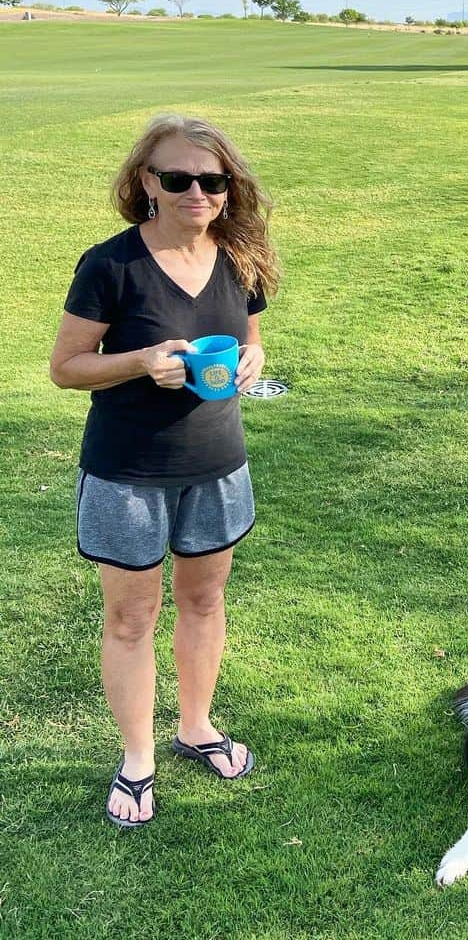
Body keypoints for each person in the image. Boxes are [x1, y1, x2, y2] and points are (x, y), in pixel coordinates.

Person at [50, 114, 280, 828]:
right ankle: (138, 757)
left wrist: (252, 360)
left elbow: (251, 337)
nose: (197, 193)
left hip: (216, 465)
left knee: (205, 603)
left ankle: (197, 726)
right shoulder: (110, 265)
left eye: (212, 181)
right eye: (177, 178)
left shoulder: (239, 256)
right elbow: (65, 368)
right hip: (128, 473)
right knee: (130, 618)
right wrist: (139, 362)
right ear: (146, 181)